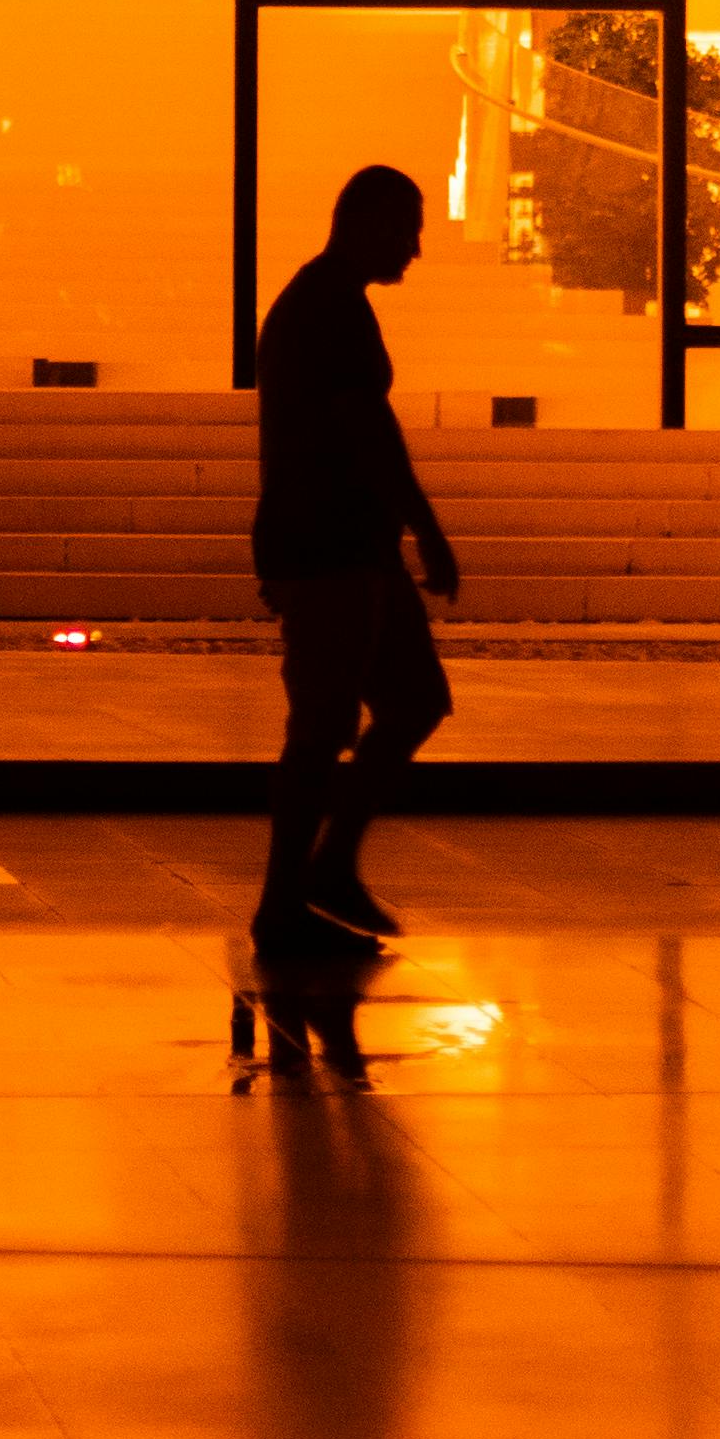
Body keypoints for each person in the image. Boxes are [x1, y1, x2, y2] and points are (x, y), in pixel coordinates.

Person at [249, 162, 459, 952]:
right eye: (407, 230)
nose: (415, 249)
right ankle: (285, 902)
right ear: (368, 223)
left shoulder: (327, 302)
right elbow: (368, 433)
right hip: (329, 545)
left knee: (408, 702)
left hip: (350, 545)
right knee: (328, 724)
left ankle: (325, 869)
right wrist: (427, 529)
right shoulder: (329, 310)